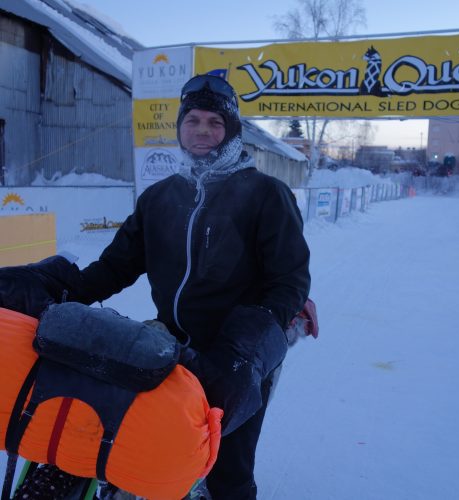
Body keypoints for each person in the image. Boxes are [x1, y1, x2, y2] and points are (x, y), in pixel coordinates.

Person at [76, 74, 311, 499]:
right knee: (146, 443)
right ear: (180, 128)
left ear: (232, 130)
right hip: (171, 347)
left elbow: (289, 281)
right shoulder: (159, 197)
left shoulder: (266, 194)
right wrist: (55, 287)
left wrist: (246, 347)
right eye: (193, 121)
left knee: (227, 468)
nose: (203, 131)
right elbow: (113, 269)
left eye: (215, 123)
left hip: (241, 357)